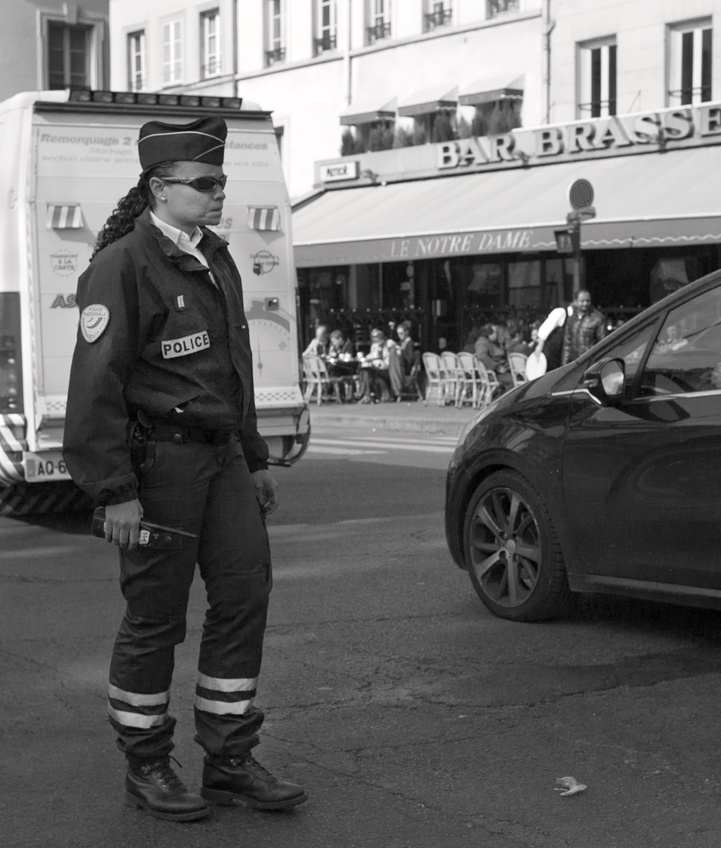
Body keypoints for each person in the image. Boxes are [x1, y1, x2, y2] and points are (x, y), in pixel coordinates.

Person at [62, 116, 306, 823]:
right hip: (159, 463)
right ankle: (147, 765)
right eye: (204, 183)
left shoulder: (214, 256)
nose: (217, 192)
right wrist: (112, 491)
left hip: (223, 458)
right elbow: (95, 385)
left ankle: (228, 758)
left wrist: (255, 458)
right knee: (156, 618)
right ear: (159, 189)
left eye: (221, 181)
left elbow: (234, 370)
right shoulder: (121, 265)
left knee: (243, 597)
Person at [562, 290, 608, 364]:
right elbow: (567, 345)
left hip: (590, 363)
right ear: (575, 301)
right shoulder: (571, 319)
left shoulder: (598, 318)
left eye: (587, 301)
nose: (585, 303)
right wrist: (564, 366)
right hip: (574, 364)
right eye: (582, 301)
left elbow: (603, 344)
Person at [359, 326, 397, 402]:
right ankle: (366, 394)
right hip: (376, 369)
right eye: (375, 339)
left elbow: (390, 359)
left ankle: (364, 393)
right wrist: (366, 359)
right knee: (364, 370)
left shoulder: (389, 344)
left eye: (378, 339)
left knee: (367, 372)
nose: (376, 341)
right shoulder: (374, 345)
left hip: (387, 369)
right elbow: (372, 355)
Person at [474, 323, 513, 388]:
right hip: (493, 373)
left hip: (501, 370)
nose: (497, 334)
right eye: (495, 332)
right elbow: (482, 356)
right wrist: (497, 367)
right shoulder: (482, 343)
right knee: (513, 381)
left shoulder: (492, 342)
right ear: (490, 334)